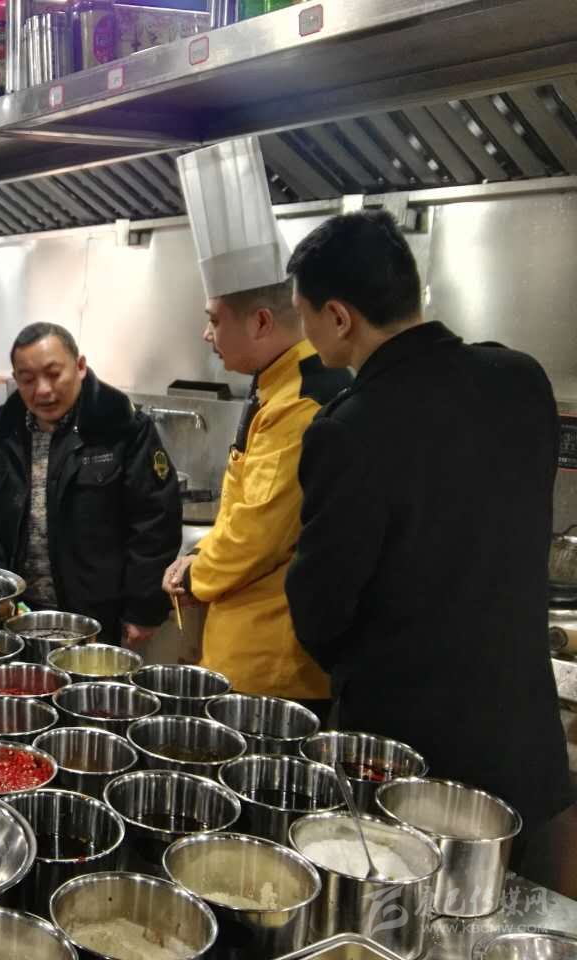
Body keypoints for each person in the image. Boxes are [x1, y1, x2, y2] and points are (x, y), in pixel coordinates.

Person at [284, 210, 572, 850]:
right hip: (522, 748)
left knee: (413, 912)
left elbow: (320, 612)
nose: (305, 333)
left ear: (339, 317)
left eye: (304, 315)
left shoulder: (348, 429)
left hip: (410, 765)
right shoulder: (522, 378)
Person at [161, 138, 351, 714]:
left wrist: (193, 574)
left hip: (275, 669)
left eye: (213, 320)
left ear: (262, 321)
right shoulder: (274, 383)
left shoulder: (303, 401)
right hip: (247, 653)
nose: (207, 334)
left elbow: (257, 535)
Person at [0, 322, 182, 645]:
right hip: (16, 617)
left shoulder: (121, 427)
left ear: (80, 367)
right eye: (28, 379)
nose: (43, 390)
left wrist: (143, 609)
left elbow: (155, 522)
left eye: (53, 374)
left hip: (96, 620)